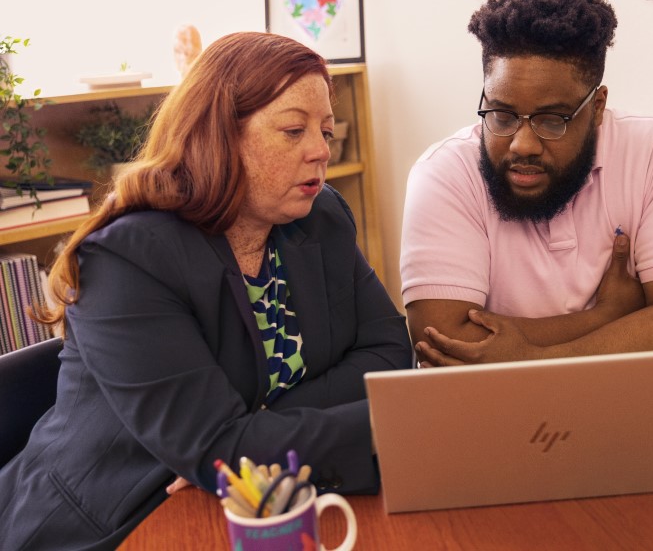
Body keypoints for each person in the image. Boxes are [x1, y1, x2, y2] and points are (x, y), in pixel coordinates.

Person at [0, 31, 413, 550]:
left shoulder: (320, 215)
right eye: (292, 130)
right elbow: (222, 446)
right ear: (218, 135)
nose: (320, 151)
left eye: (326, 130)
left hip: (251, 495)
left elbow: (389, 353)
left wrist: (249, 436)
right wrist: (402, 425)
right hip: (115, 521)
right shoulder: (126, 260)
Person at [401, 0, 653, 367]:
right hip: (486, 412)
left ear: (597, 107)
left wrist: (528, 356)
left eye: (552, 120)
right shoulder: (444, 173)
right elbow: (444, 342)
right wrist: (607, 317)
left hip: (623, 402)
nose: (522, 144)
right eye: (501, 115)